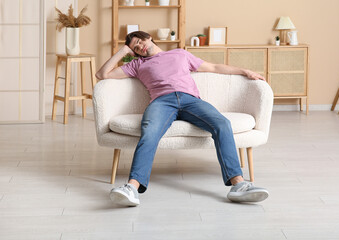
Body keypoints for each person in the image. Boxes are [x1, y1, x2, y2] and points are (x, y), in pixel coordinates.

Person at [96, 31, 269, 207]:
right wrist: (123, 51)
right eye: (135, 47)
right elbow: (102, 74)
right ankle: (131, 188)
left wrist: (245, 71)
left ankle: (238, 185)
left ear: (149, 38)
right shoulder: (137, 64)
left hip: (190, 100)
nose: (140, 47)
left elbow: (214, 68)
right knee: (150, 132)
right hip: (161, 102)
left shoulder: (179, 54)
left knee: (223, 124)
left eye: (140, 41)